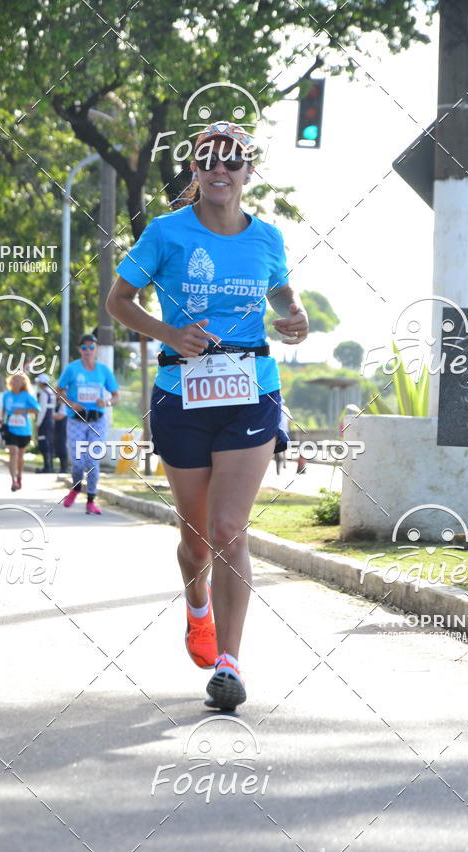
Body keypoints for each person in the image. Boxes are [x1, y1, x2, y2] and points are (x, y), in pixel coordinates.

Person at [106, 121, 308, 710]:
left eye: (233, 160)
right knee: (196, 541)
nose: (221, 169)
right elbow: (119, 302)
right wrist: (170, 332)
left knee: (228, 531)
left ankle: (230, 663)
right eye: (208, 161)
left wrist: (294, 318)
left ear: (248, 172)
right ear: (194, 172)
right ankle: (198, 608)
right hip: (181, 396)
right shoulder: (167, 234)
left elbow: (282, 297)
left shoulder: (268, 238)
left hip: (252, 391)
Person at [57, 334, 120, 514]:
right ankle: (76, 488)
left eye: (91, 347)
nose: (88, 351)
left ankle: (91, 500)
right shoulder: (72, 369)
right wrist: (71, 404)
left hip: (97, 420)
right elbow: (58, 391)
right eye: (84, 348)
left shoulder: (104, 371)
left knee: (93, 461)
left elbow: (116, 396)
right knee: (77, 462)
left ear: (96, 349)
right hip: (77, 420)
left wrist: (106, 402)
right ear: (79, 350)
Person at [1, 372, 40, 491]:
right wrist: (2, 422)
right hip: (10, 429)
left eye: (18, 380)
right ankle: (13, 481)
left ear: (23, 383)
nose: (15, 382)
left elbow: (37, 410)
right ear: (10, 381)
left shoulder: (27, 395)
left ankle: (19, 476)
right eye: (14, 380)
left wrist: (23, 410)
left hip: (24, 430)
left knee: (20, 456)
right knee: (13, 452)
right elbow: (3, 410)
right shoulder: (6, 395)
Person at [34, 373, 56, 473]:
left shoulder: (43, 393)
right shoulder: (51, 392)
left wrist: (38, 423)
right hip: (51, 420)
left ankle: (47, 467)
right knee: (49, 442)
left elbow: (42, 410)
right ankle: (50, 466)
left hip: (44, 421)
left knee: (44, 442)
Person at [53, 400, 69, 473]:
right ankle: (62, 467)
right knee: (58, 445)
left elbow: (60, 416)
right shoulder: (58, 403)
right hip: (58, 426)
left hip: (63, 425)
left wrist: (48, 414)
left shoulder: (65, 403)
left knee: (62, 445)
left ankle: (64, 468)